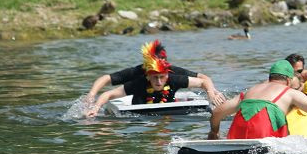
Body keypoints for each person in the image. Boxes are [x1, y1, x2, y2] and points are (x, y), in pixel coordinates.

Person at [208, 59, 307, 143]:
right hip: (264, 136)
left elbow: (216, 113)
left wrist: (214, 133)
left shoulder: (250, 91)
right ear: (288, 79)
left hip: (236, 134)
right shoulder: (290, 93)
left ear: (271, 76)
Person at [86, 41, 220, 116]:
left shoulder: (173, 75)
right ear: (148, 73)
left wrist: (212, 93)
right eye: (155, 77)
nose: (159, 80)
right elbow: (108, 87)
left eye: (162, 76)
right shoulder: (137, 78)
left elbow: (203, 79)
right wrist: (94, 101)